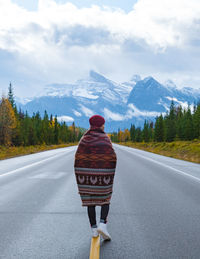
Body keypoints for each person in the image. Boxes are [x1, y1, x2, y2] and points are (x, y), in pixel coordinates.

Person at [74, 115, 117, 240]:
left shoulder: (84, 139)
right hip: (103, 177)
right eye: (103, 124)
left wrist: (83, 172)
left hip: (87, 178)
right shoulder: (105, 138)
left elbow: (78, 157)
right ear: (100, 125)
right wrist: (107, 169)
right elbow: (113, 157)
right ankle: (102, 224)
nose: (104, 126)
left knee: (90, 202)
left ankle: (94, 229)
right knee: (105, 198)